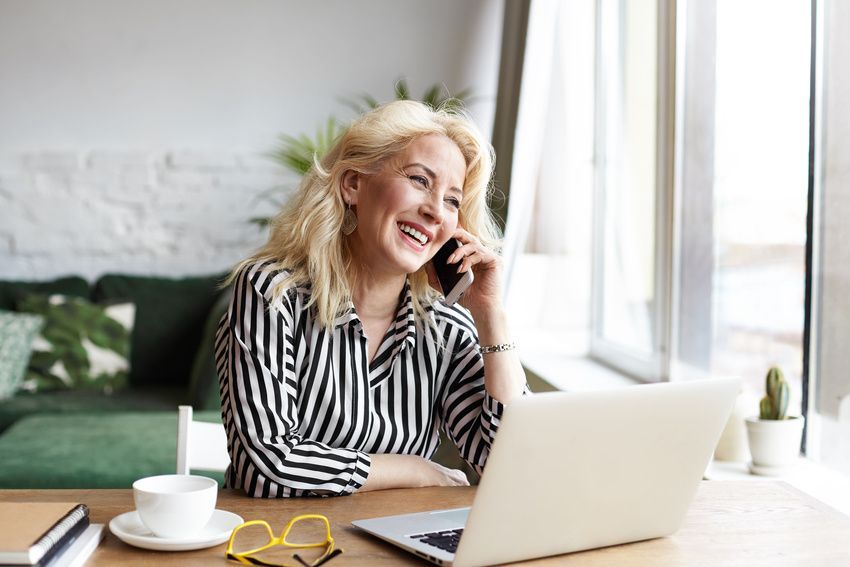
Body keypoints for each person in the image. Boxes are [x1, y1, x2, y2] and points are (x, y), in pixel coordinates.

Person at [216, 100, 528, 498]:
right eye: (419, 180)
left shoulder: (446, 327)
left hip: (397, 548)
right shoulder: (271, 293)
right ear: (353, 185)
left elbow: (512, 466)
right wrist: (412, 469)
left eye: (452, 200)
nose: (436, 210)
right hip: (277, 543)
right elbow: (266, 466)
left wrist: (490, 316)